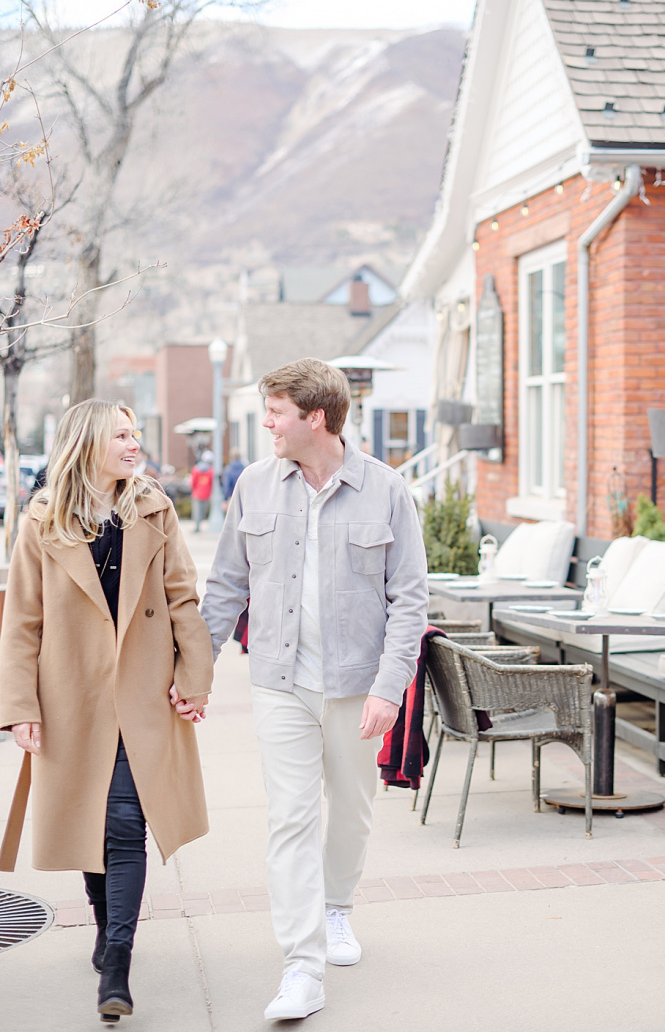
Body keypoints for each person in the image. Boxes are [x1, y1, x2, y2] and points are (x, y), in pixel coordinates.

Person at [200, 358, 426, 1022]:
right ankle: (301, 967)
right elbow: (224, 588)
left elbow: (409, 601)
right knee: (290, 819)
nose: (266, 423)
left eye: (275, 412)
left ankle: (336, 909)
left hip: (358, 687)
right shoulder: (255, 487)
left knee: (352, 812)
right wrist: (199, 672)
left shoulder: (386, 491)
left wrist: (391, 687)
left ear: (315, 418)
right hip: (279, 683)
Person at [0, 400, 212, 1022]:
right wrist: (19, 705)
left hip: (141, 694)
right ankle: (104, 926)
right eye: (121, 433)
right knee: (91, 827)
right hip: (72, 698)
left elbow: (182, 599)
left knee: (125, 826)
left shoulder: (153, 507)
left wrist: (193, 677)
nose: (133, 442)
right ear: (89, 442)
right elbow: (21, 624)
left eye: (135, 432)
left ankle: (116, 960)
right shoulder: (42, 519)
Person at [189, 451, 213, 533]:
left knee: (196, 511)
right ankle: (199, 526)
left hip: (197, 493)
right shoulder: (210, 471)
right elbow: (211, 483)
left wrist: (194, 489)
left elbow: (193, 482)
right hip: (206, 493)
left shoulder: (196, 469)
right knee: (203, 511)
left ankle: (197, 526)